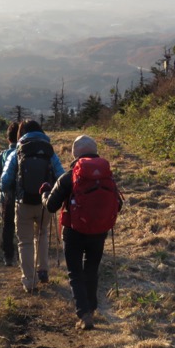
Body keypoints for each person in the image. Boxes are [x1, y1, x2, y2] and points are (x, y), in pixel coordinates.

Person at [40, 135, 122, 330]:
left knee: (75, 272)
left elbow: (51, 206)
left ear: (75, 154)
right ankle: (92, 308)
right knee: (91, 269)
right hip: (99, 230)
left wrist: (44, 192)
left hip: (73, 230)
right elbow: (117, 204)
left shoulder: (69, 177)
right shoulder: (106, 176)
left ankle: (84, 314)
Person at [0, 120, 65, 293]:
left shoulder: (18, 151)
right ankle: (43, 270)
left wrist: (11, 190)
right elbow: (61, 176)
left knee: (25, 241)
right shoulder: (49, 151)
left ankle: (29, 281)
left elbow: (5, 181)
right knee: (42, 234)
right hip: (44, 202)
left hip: (23, 203)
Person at [0, 121, 19, 266]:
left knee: (7, 224)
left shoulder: (5, 154)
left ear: (8, 139)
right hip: (24, 196)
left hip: (6, 196)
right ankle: (25, 254)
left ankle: (8, 255)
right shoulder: (27, 152)